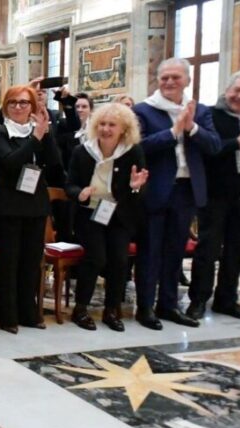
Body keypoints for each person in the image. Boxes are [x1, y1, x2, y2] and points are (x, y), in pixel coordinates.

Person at [133, 57, 221, 330]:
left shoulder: (201, 111)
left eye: (176, 77)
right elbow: (139, 147)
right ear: (157, 81)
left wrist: (191, 127)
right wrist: (173, 132)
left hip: (186, 190)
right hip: (156, 189)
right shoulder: (143, 110)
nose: (170, 82)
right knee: (150, 250)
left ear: (187, 80)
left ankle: (168, 305)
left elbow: (215, 146)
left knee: (175, 251)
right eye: (164, 78)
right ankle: (145, 306)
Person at [187, 71, 240, 321]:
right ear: (227, 90)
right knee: (208, 249)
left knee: (237, 250)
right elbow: (212, 150)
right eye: (237, 90)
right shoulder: (210, 115)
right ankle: (198, 299)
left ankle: (226, 300)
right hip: (215, 193)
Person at [65, 103, 149, 331]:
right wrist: (79, 193)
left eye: (112, 125)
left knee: (120, 260)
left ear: (123, 128)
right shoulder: (82, 151)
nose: (106, 129)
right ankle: (80, 309)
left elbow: (138, 191)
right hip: (89, 213)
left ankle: (112, 310)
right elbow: (70, 184)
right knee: (96, 258)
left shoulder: (133, 152)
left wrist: (134, 187)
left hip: (119, 215)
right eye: (102, 124)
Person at [0, 84, 62, 333]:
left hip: (35, 203)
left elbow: (55, 164)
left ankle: (29, 312)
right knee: (10, 261)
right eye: (13, 103)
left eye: (24, 103)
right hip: (8, 204)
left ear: (32, 106)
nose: (18, 107)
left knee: (32, 261)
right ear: (6, 107)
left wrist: (46, 133)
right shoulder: (0, 132)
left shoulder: (41, 131)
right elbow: (10, 163)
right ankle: (8, 315)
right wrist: (35, 139)